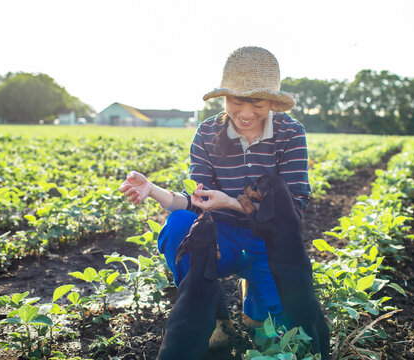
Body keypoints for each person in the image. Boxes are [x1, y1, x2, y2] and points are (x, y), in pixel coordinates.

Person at [119, 46, 310, 337]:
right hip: (221, 235)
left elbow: (294, 207)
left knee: (271, 330)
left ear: (272, 102)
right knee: (178, 229)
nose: (246, 114)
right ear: (225, 97)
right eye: (236, 101)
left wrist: (233, 203)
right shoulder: (208, 133)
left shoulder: (290, 133)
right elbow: (199, 201)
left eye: (257, 104)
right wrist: (152, 189)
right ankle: (213, 318)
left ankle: (255, 301)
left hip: (271, 240)